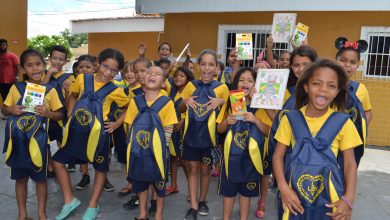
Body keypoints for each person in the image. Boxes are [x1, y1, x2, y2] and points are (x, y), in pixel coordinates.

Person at [273, 59, 361, 219]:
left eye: (331, 86)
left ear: (337, 91)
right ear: (306, 87)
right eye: (317, 84)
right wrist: (283, 187)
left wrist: (348, 199)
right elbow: (278, 156)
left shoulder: (343, 122)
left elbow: (350, 163)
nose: (323, 90)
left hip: (329, 200)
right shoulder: (290, 119)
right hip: (294, 197)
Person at [52, 48, 129, 220]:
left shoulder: (116, 89)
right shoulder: (82, 78)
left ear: (118, 72)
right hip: (77, 132)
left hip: (98, 136)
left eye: (113, 70)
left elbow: (131, 106)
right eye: (105, 66)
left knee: (100, 169)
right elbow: (72, 96)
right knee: (57, 162)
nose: (108, 72)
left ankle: (93, 204)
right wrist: (71, 114)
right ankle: (69, 200)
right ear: (97, 64)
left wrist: (116, 124)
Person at [2, 49, 63, 220]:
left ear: (44, 65)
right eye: (29, 65)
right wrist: (10, 109)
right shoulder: (16, 88)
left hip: (39, 144)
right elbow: (4, 109)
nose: (35, 69)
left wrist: (48, 113)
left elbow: (60, 114)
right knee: (20, 179)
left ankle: (41, 213)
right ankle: (22, 214)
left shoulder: (50, 90)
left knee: (40, 180)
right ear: (22, 69)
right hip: (19, 143)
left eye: (38, 64)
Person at [266, 45, 318, 218]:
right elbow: (278, 122)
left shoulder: (320, 94)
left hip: (313, 165)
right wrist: (263, 101)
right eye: (296, 65)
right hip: (288, 162)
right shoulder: (285, 91)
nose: (300, 69)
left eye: (306, 64)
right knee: (288, 209)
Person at [180, 49, 229, 220]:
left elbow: (231, 108)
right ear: (198, 66)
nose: (207, 68)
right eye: (203, 64)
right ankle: (193, 206)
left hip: (209, 138)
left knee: (205, 170)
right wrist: (185, 101)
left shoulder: (222, 88)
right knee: (192, 169)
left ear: (217, 68)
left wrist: (222, 100)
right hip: (191, 136)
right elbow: (179, 109)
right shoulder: (190, 85)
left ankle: (202, 200)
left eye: (211, 64)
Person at [125, 65, 178, 220]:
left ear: (163, 82)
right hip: (138, 151)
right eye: (149, 72)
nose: (152, 75)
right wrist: (132, 147)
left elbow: (169, 127)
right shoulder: (135, 101)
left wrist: (162, 147)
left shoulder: (166, 102)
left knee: (159, 183)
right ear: (143, 78)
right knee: (140, 182)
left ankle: (159, 214)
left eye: (157, 73)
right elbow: (130, 126)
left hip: (158, 151)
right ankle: (143, 212)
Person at [216, 67, 270, 220]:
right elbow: (219, 130)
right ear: (236, 83)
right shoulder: (230, 102)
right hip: (231, 158)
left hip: (252, 158)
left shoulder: (261, 103)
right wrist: (227, 121)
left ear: (256, 84)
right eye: (241, 79)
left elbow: (269, 132)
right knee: (229, 191)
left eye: (250, 80)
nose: (245, 83)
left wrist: (255, 120)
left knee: (246, 193)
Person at [335, 37, 372, 166]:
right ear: (336, 61)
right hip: (331, 140)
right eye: (343, 60)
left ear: (358, 64)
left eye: (352, 62)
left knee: (348, 172)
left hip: (351, 144)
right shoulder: (327, 86)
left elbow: (367, 111)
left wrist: (361, 127)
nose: (347, 65)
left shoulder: (361, 89)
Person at [43, 45, 75, 178]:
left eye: (61, 59)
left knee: (62, 140)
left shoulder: (69, 77)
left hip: (61, 114)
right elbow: (40, 92)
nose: (57, 61)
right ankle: (50, 167)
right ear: (50, 59)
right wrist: (49, 73)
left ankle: (61, 165)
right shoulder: (43, 74)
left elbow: (69, 102)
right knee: (45, 141)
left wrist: (67, 90)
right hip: (45, 113)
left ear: (66, 61)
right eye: (54, 58)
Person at [166, 67, 194, 196]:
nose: (178, 78)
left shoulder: (191, 91)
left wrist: (183, 120)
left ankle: (191, 190)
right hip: (171, 128)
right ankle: (173, 186)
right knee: (173, 158)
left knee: (184, 161)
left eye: (182, 76)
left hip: (184, 130)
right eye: (176, 75)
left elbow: (194, 110)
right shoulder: (172, 91)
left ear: (188, 79)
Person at [0, 39, 20, 117]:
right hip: (0, 81)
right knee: (4, 96)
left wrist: (17, 76)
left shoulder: (12, 55)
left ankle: (7, 114)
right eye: (0, 45)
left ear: (7, 46)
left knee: (7, 97)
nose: (1, 47)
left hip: (9, 81)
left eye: (3, 45)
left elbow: (18, 66)